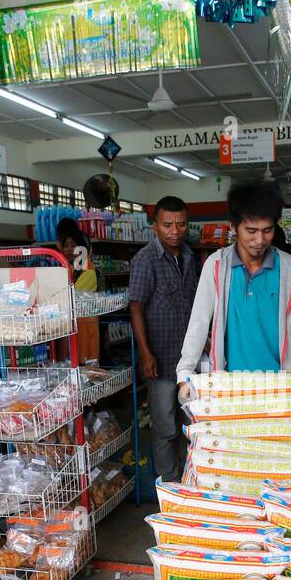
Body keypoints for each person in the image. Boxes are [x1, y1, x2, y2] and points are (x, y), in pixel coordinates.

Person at [177, 181, 291, 389]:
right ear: (234, 227)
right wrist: (185, 373)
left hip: (280, 384)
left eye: (267, 230)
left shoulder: (290, 270)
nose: (260, 240)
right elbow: (199, 322)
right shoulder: (217, 267)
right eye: (251, 231)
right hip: (230, 386)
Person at [128, 195, 198, 482]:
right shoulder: (145, 260)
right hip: (160, 358)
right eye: (167, 224)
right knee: (165, 427)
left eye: (181, 224)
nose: (175, 231)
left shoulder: (190, 256)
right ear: (154, 226)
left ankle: (191, 481)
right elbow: (136, 307)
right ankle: (168, 488)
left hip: (189, 361)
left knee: (193, 424)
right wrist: (145, 353)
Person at [56, 220, 100, 363]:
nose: (68, 249)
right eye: (66, 245)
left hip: (85, 326)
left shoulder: (88, 270)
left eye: (73, 245)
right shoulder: (73, 268)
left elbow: (75, 295)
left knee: (86, 363)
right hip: (73, 325)